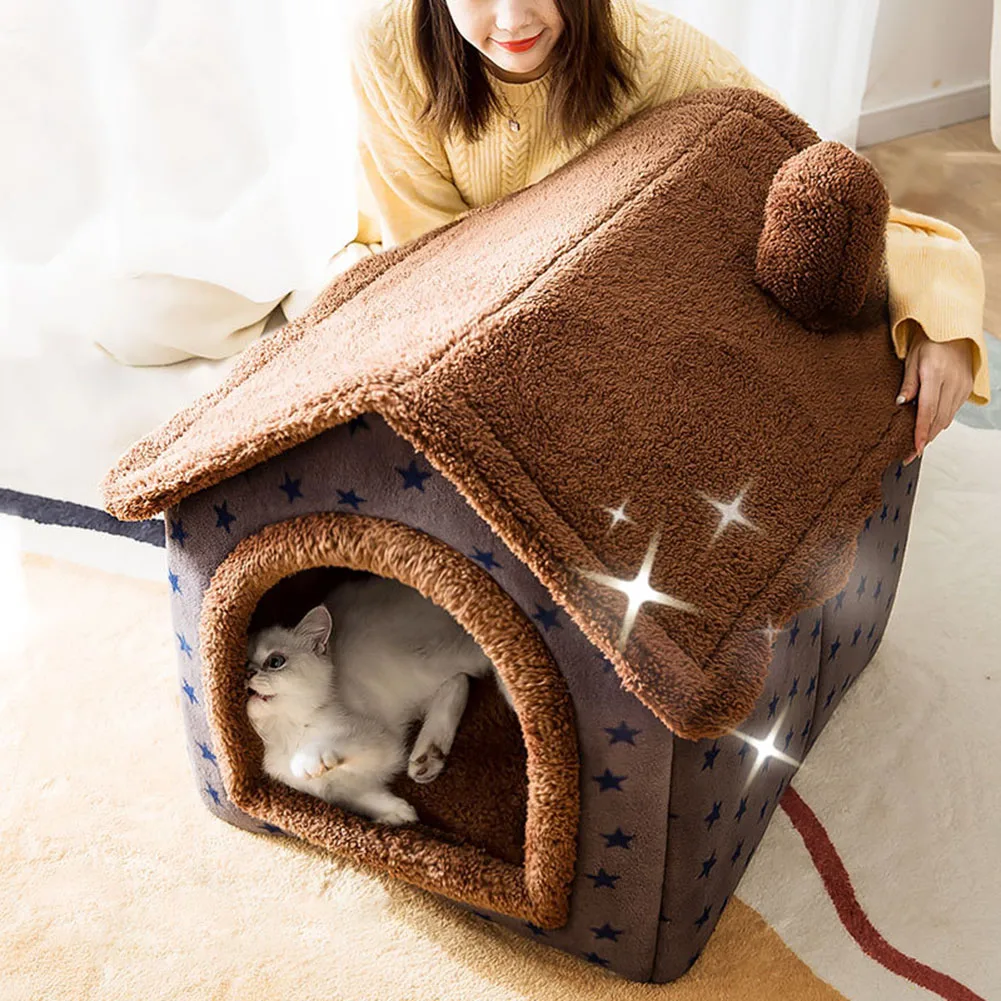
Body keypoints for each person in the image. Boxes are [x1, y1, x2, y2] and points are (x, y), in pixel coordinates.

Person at [289, 0, 990, 467]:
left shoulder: (652, 52)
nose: (511, 18)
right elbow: (423, 255)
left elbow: (826, 194)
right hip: (435, 288)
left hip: (591, 304)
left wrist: (944, 323)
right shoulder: (388, 44)